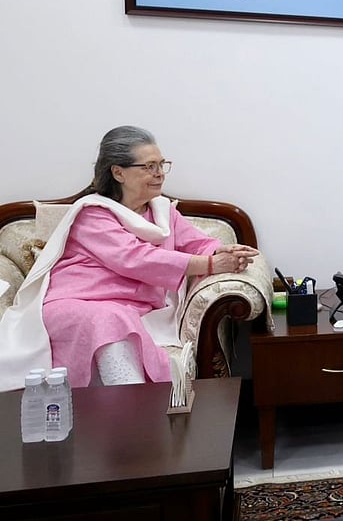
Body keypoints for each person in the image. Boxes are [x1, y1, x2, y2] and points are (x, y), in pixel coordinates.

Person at [0, 125, 259, 389]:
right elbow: (135, 258)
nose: (159, 173)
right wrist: (210, 265)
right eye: (149, 166)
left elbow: (197, 243)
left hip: (127, 309)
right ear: (118, 172)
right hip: (75, 303)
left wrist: (222, 252)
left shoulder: (162, 212)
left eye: (162, 165)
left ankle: (133, 407)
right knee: (110, 318)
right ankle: (134, 404)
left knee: (115, 316)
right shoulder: (93, 213)